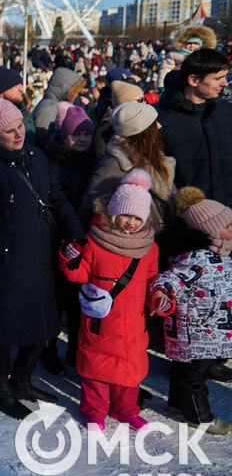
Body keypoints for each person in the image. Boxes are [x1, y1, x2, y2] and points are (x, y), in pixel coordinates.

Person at [0, 97, 84, 420]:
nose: (18, 135)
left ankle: (22, 379)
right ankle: (0, 391)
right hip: (5, 263)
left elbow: (56, 196)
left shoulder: (34, 154)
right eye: (8, 132)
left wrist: (75, 232)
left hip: (40, 257)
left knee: (45, 325)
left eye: (20, 127)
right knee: (2, 328)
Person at [58, 170, 161, 431]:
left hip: (134, 325)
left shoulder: (150, 247)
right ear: (113, 212)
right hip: (102, 321)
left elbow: (153, 281)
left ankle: (126, 410)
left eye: (137, 217)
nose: (130, 222)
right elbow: (79, 274)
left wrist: (161, 297)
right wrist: (69, 257)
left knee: (130, 373)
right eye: (125, 215)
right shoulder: (96, 241)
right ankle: (94, 412)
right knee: (96, 371)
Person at [152, 187, 232, 435]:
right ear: (209, 230)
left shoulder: (221, 255)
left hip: (209, 329)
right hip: (196, 332)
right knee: (194, 377)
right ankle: (200, 418)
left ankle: (177, 404)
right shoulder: (196, 258)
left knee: (182, 369)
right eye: (227, 225)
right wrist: (161, 291)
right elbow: (171, 278)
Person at [42, 105, 96, 371]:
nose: (83, 139)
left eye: (87, 134)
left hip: (85, 240)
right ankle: (49, 351)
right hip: (55, 239)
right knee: (55, 301)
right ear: (65, 135)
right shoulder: (50, 160)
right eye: (77, 134)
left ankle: (75, 350)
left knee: (79, 301)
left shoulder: (94, 161)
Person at [81, 102, 176, 236]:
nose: (159, 126)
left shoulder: (154, 156)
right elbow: (91, 210)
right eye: (153, 123)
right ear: (139, 131)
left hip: (161, 242)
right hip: (136, 247)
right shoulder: (114, 165)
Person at [156, 49, 232, 207]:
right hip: (189, 221)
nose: (225, 83)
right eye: (218, 78)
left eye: (225, 77)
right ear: (194, 80)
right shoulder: (161, 121)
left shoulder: (227, 112)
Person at [32, 67, 85, 145]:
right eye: (75, 91)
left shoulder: (55, 105)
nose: (76, 95)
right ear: (64, 89)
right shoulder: (49, 109)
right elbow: (42, 140)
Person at [0, 66, 34, 144]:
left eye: (21, 84)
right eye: (16, 85)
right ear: (3, 89)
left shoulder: (24, 112)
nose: (21, 89)